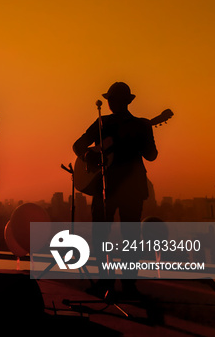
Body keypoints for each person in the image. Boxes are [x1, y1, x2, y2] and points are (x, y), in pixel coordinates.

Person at [73, 81, 158, 298]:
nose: (112, 103)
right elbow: (79, 145)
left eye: (113, 100)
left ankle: (119, 284)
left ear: (118, 102)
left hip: (126, 186)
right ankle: (115, 284)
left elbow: (150, 154)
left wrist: (141, 137)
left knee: (120, 236)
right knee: (112, 236)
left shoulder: (140, 125)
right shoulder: (103, 123)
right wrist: (89, 155)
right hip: (108, 185)